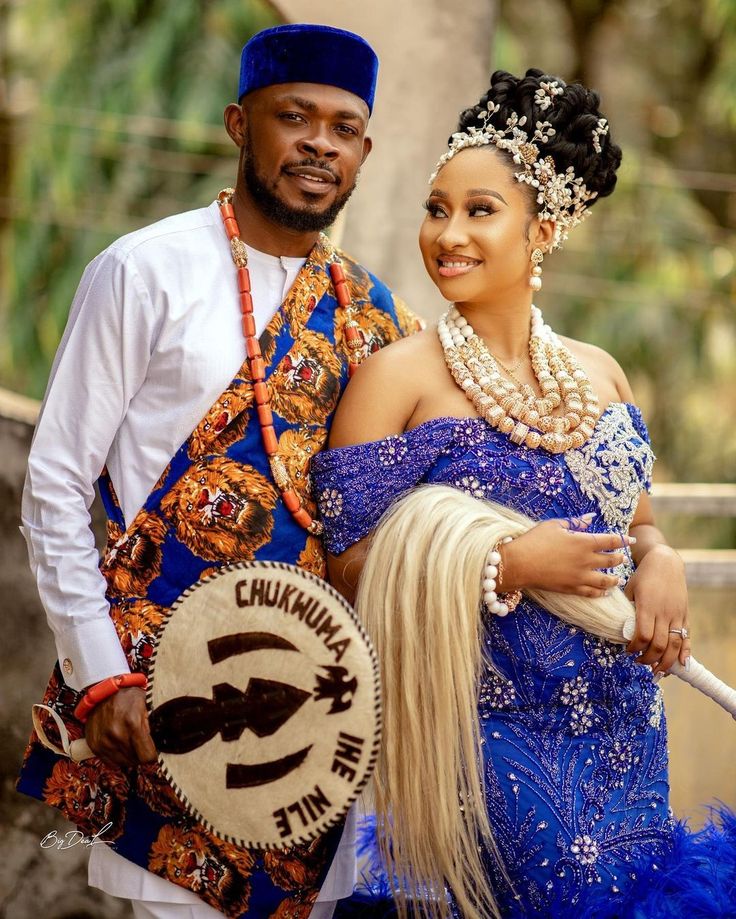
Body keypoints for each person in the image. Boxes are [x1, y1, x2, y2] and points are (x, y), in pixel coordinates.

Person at [17, 23, 421, 919]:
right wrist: (101, 677)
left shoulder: (371, 311)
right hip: (164, 710)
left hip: (317, 730)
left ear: (363, 151)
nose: (320, 142)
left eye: (344, 127)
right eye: (295, 117)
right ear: (242, 125)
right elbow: (53, 487)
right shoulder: (140, 271)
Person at [312, 69, 735, 917]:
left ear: (543, 230)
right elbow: (348, 568)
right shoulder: (395, 380)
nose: (448, 232)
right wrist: (503, 564)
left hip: (626, 722)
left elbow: (638, 526)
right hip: (486, 742)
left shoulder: (600, 374)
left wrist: (663, 564)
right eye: (437, 208)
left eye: (479, 209)